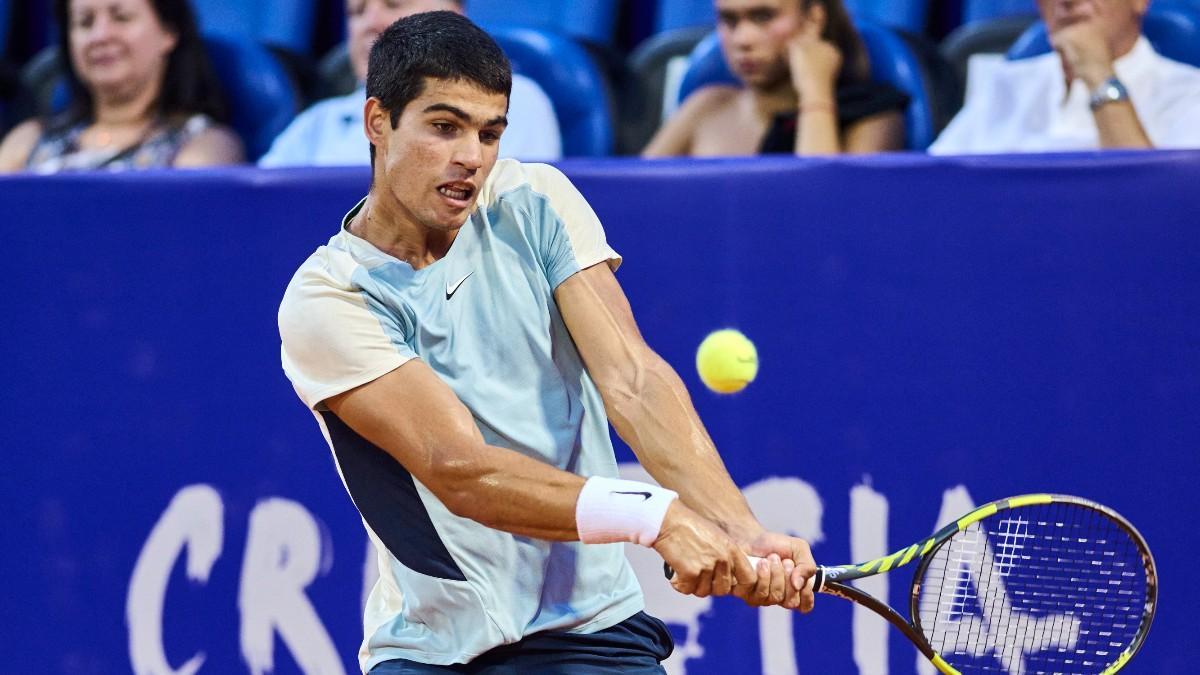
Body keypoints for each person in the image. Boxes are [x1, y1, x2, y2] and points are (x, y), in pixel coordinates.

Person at [278, 11, 817, 673]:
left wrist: (741, 527)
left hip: (591, 632)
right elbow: (462, 472)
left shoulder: (536, 201)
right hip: (433, 650)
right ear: (378, 123)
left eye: (489, 132)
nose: (470, 156)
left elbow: (633, 380)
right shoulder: (330, 297)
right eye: (444, 126)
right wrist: (654, 513)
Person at [258, 0, 561, 168]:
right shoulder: (317, 123)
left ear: (455, 15)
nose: (370, 24)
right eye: (356, 11)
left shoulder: (513, 102)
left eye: (393, 4)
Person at [0, 0, 242, 173]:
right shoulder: (27, 141)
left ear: (169, 32)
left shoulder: (202, 147)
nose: (100, 36)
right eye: (85, 22)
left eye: (121, 17)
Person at [643, 0, 908, 157]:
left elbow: (823, 211)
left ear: (813, 19)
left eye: (763, 17)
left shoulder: (874, 117)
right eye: (729, 20)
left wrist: (815, 91)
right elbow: (626, 205)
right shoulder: (705, 107)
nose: (742, 39)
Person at [930, 0, 1200, 154]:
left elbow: (1154, 210)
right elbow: (933, 184)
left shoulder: (1189, 95)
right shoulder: (1007, 84)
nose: (1068, 2)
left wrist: (1098, 73)